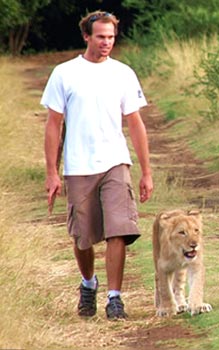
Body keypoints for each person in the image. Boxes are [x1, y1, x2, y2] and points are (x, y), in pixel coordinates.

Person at [42, 10, 153, 321]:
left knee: (119, 229)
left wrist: (146, 171)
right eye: (101, 36)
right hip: (78, 166)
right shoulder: (65, 73)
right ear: (86, 36)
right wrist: (52, 172)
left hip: (115, 161)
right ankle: (88, 284)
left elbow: (135, 123)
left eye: (111, 37)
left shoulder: (123, 73)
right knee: (83, 236)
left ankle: (114, 297)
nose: (107, 43)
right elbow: (53, 124)